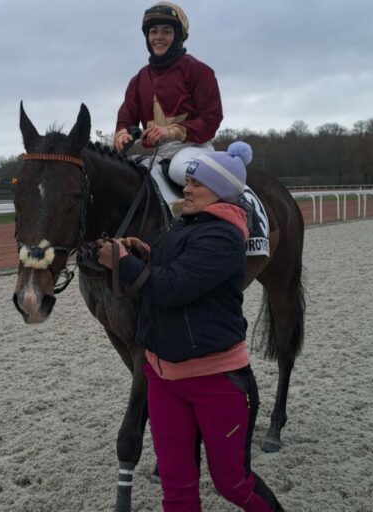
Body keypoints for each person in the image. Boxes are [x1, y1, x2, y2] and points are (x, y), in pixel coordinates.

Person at [97, 142, 285, 512]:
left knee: (233, 485)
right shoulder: (187, 225)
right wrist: (142, 254)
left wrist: (122, 262)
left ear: (220, 193)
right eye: (189, 181)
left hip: (216, 384)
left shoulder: (225, 236)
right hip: (165, 382)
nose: (187, 187)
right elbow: (169, 269)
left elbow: (171, 288)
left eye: (197, 183)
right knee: (178, 490)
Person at [113, 2, 224, 188]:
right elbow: (126, 119)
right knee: (124, 174)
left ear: (178, 36)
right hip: (159, 154)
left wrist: (170, 131)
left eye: (166, 31)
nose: (158, 37)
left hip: (195, 149)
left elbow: (211, 119)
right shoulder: (138, 80)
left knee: (179, 169)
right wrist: (122, 134)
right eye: (153, 31)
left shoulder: (199, 71)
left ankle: (233, 199)